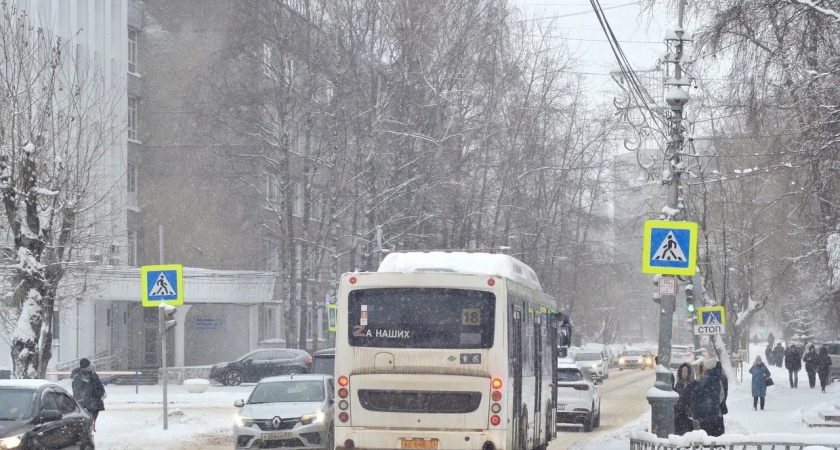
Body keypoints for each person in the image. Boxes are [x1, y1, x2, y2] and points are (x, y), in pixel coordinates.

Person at [691, 358, 725, 437]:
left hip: (705, 412)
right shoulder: (716, 378)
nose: (703, 368)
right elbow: (720, 394)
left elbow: (698, 394)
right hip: (712, 412)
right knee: (712, 434)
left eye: (704, 366)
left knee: (705, 434)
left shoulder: (706, 379)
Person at [71, 358, 106, 430]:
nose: (89, 368)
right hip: (89, 403)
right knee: (88, 421)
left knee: (92, 420)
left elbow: (97, 386)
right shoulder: (80, 376)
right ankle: (89, 431)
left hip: (94, 402)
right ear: (86, 366)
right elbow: (81, 390)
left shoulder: (90, 375)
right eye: (88, 366)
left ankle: (91, 429)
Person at [673, 363, 696, 435]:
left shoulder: (693, 383)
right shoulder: (678, 384)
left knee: (689, 432)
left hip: (689, 412)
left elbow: (694, 396)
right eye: (683, 372)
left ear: (689, 373)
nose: (684, 374)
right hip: (679, 412)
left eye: (686, 372)